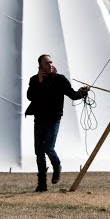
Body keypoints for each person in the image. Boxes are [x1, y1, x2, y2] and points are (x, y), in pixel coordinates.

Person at [25, 54, 89, 192]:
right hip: (39, 119)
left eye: (51, 62)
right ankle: (42, 184)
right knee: (39, 151)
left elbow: (73, 95)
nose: (50, 64)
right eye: (47, 63)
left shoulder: (60, 79)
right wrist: (40, 81)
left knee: (48, 147)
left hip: (54, 119)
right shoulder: (34, 80)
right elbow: (30, 96)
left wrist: (83, 93)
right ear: (40, 66)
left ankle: (57, 165)